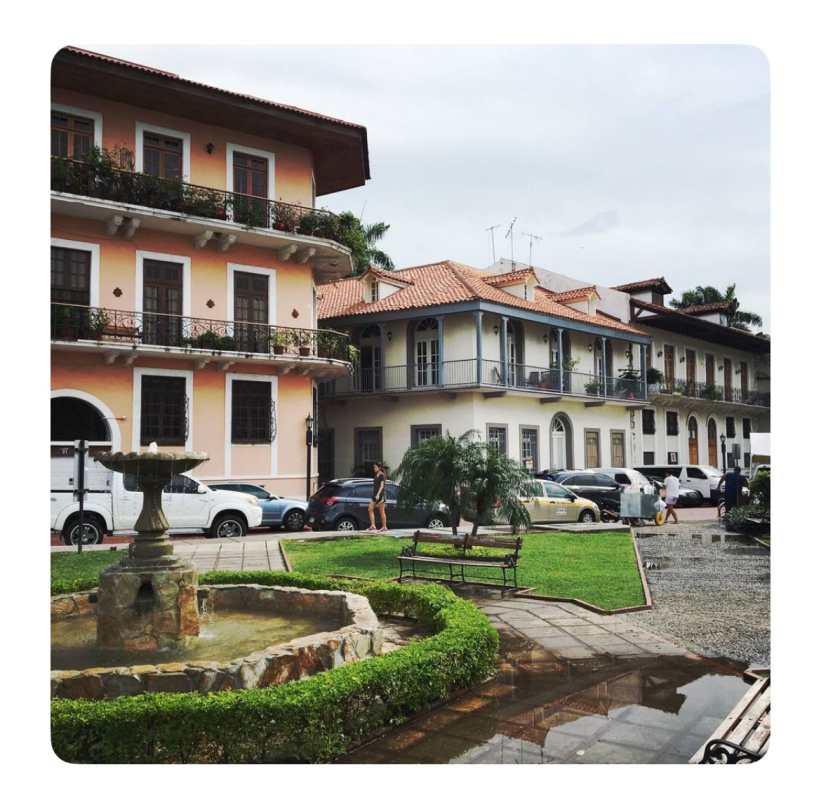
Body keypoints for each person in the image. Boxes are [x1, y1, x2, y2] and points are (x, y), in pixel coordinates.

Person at [367, 462, 388, 532]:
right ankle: (373, 525)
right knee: (370, 508)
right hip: (375, 495)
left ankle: (384, 527)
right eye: (374, 467)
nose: (374, 468)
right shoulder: (376, 474)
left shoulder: (382, 475)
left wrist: (378, 494)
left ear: (379, 468)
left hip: (380, 495)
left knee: (382, 511)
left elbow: (382, 486)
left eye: (375, 467)